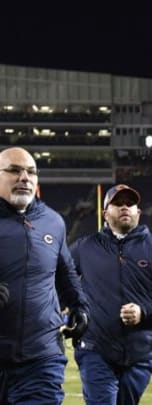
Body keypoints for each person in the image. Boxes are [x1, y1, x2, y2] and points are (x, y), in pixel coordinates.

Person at [69, 184, 152, 405]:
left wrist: (143, 312)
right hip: (95, 350)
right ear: (105, 213)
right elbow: (58, 279)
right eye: (117, 203)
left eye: (130, 203)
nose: (125, 207)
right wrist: (68, 308)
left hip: (140, 354)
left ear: (138, 212)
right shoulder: (84, 248)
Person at [0, 146, 89, 404]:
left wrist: (80, 306)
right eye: (14, 171)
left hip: (40, 356)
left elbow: (65, 272)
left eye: (31, 172)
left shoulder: (53, 222)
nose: (24, 178)